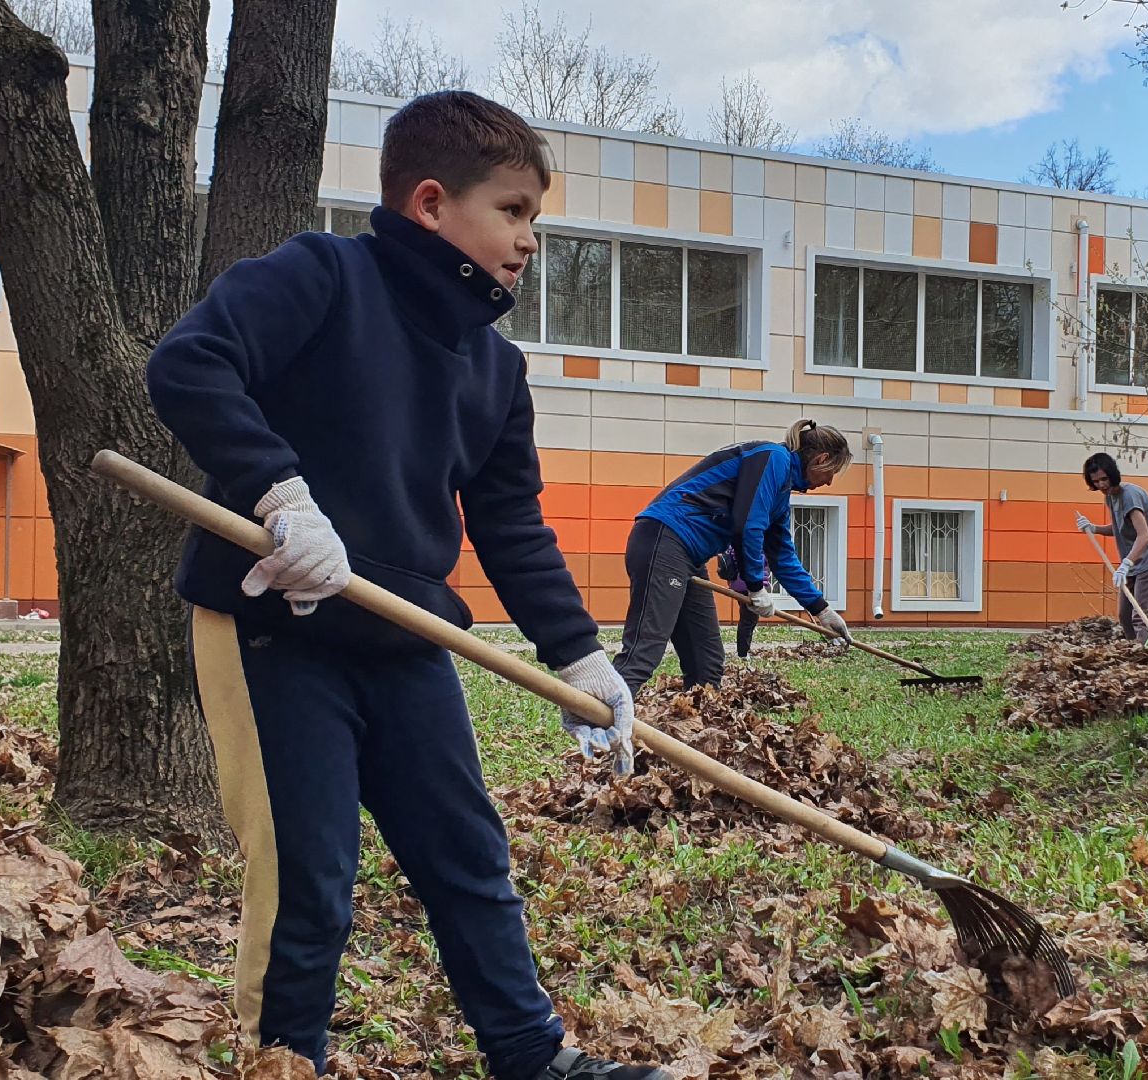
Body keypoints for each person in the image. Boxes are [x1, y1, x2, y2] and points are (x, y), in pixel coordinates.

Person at [144, 90, 665, 1080]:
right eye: (512, 212)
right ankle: (282, 1063)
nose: (529, 240)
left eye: (534, 219)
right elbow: (191, 362)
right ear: (431, 204)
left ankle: (531, 1058)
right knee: (311, 881)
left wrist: (581, 656)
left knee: (467, 855)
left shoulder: (493, 370)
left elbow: (510, 526)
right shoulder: (323, 276)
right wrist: (283, 496)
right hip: (275, 626)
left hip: (403, 639)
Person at [616, 421, 853, 689]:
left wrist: (822, 610)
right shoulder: (772, 457)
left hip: (688, 557)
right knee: (643, 651)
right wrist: (755, 587)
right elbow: (748, 524)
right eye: (831, 472)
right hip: (664, 539)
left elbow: (783, 557)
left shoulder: (780, 491)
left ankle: (696, 728)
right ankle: (594, 722)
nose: (830, 481)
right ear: (821, 459)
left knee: (706, 661)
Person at [1075, 452, 1148, 643]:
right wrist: (1094, 528)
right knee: (1125, 616)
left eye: (1104, 478)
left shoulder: (1130, 496)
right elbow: (1120, 528)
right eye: (1095, 481)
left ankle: (1146, 659)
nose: (1101, 485)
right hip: (1133, 566)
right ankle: (1133, 652)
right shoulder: (1111, 497)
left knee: (1141, 617)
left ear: (1113, 474)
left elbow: (1144, 537)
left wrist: (1126, 563)